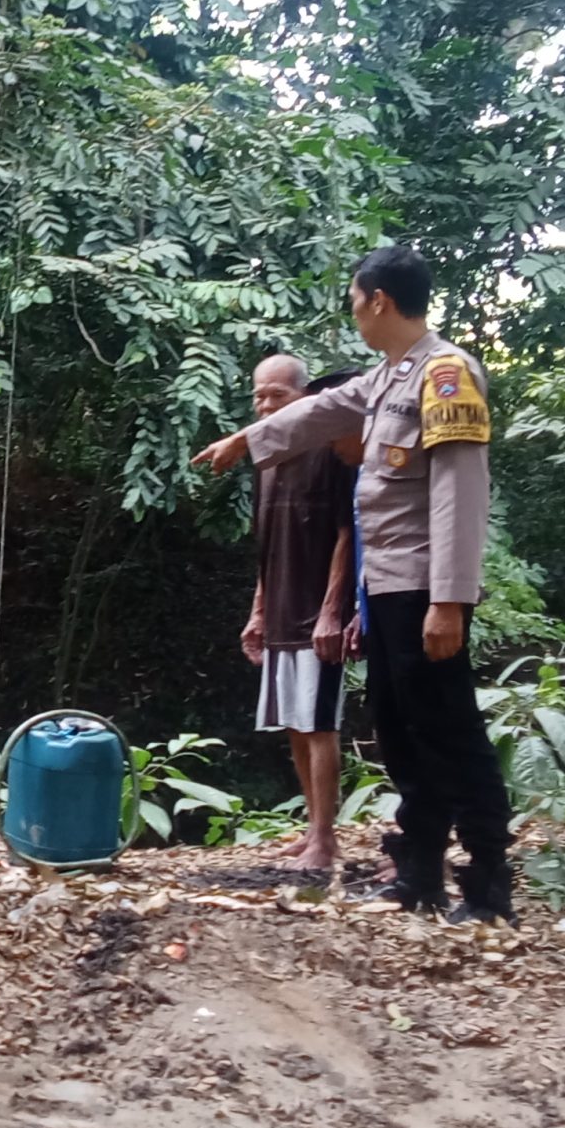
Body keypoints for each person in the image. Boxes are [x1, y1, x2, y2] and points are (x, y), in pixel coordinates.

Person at [192, 247, 514, 922]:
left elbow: (460, 495)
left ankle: (488, 881)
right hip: (388, 588)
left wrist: (450, 601)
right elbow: (322, 411)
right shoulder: (390, 376)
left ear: (378, 301)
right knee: (400, 728)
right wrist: (246, 441)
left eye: (354, 298)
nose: (353, 310)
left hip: (427, 589)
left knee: (450, 729)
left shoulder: (447, 374)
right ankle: (419, 870)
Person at [241, 354, 357, 873]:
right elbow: (264, 545)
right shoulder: (266, 458)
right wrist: (258, 612)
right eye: (259, 396)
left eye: (277, 396)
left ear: (305, 396)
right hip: (282, 605)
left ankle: (326, 839)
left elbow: (346, 534)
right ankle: (312, 829)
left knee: (318, 723)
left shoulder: (330, 450)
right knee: (292, 721)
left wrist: (333, 610)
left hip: (318, 612)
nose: (266, 405)